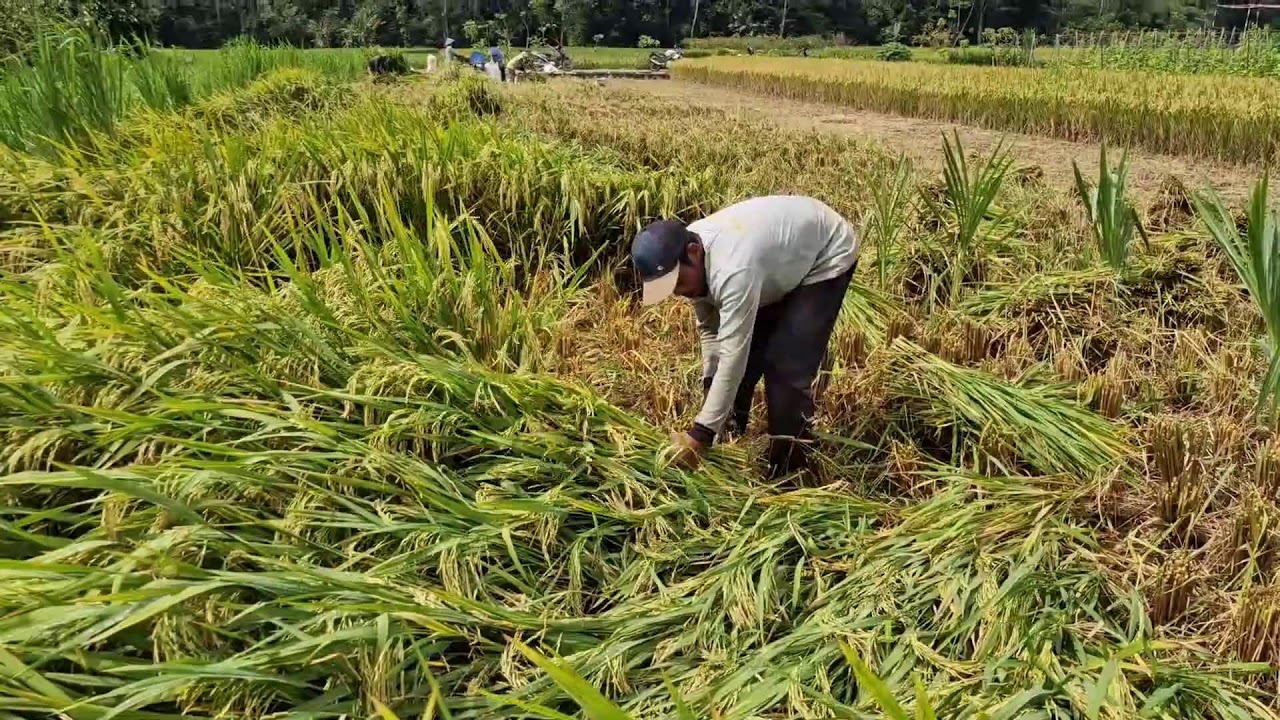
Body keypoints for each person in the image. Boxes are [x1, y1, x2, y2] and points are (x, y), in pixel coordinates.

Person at [631, 195, 860, 479]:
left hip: (825, 252)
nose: (678, 292)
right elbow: (711, 330)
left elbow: (732, 356)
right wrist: (709, 386)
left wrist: (700, 434)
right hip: (778, 257)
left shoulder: (733, 270)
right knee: (744, 360)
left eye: (678, 283)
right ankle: (730, 438)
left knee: (785, 370)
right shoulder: (689, 257)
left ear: (693, 253)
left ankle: (790, 473)